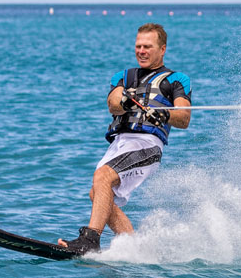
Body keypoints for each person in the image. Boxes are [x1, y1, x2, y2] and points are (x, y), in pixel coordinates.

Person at [58, 23, 192, 253]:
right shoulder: (123, 77)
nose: (141, 51)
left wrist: (164, 113)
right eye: (138, 46)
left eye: (147, 46)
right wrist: (125, 101)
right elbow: (113, 103)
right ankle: (135, 248)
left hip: (147, 144)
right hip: (121, 144)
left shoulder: (177, 80)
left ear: (162, 49)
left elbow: (184, 118)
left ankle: (90, 241)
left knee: (102, 177)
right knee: (98, 193)